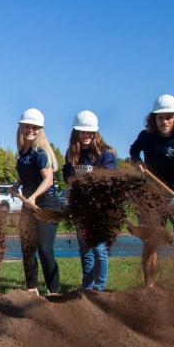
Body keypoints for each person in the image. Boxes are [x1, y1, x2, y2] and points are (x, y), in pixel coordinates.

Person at [129, 94, 174, 290]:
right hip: (151, 196)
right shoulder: (146, 137)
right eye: (160, 117)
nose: (164, 121)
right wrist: (138, 162)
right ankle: (149, 287)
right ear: (154, 119)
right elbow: (134, 151)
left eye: (169, 117)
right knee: (152, 240)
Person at [63, 110, 117, 292]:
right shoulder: (72, 154)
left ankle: (98, 288)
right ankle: (87, 287)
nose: (85, 135)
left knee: (99, 250)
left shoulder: (105, 154)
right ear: (76, 133)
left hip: (99, 209)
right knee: (85, 250)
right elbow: (67, 176)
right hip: (81, 208)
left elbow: (109, 180)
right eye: (82, 132)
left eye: (89, 132)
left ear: (95, 133)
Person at [11, 108, 61, 296]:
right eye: (26, 126)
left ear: (40, 129)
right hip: (28, 206)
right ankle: (31, 290)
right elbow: (27, 176)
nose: (30, 130)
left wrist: (33, 197)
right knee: (27, 247)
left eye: (35, 127)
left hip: (46, 205)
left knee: (44, 248)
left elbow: (48, 180)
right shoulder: (23, 151)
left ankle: (54, 291)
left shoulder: (41, 152)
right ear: (21, 127)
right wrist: (17, 185)